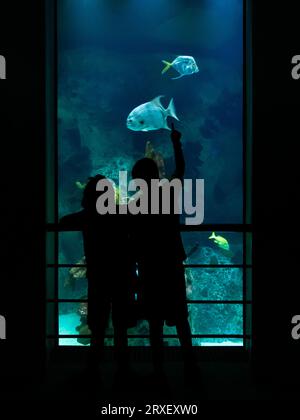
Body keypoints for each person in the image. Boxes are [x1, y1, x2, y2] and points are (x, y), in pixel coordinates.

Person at [131, 124, 197, 379]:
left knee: (155, 322)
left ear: (138, 179)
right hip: (171, 263)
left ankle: (158, 370)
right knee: (180, 317)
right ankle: (190, 366)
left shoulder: (137, 204)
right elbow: (180, 170)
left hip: (148, 266)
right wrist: (176, 143)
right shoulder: (168, 193)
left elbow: (134, 237)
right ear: (156, 175)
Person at [60, 175, 136, 377]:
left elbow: (64, 221)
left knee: (98, 325)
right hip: (121, 277)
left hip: (99, 277)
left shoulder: (87, 216)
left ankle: (93, 371)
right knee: (120, 326)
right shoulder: (122, 214)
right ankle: (123, 371)